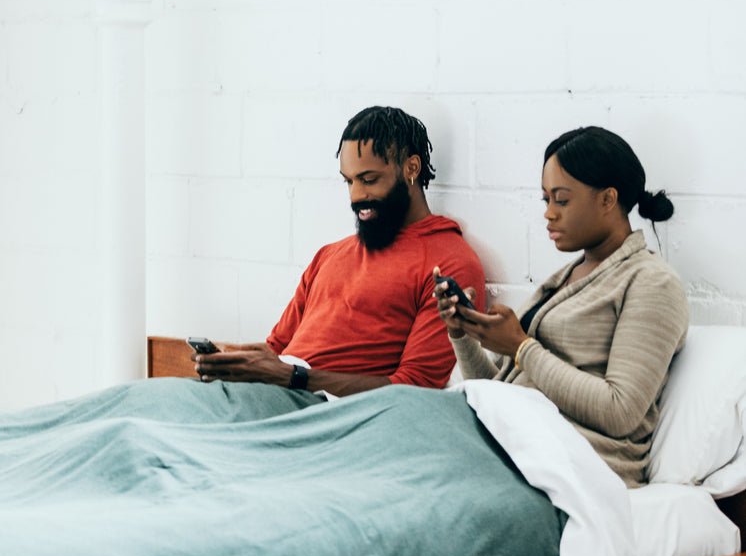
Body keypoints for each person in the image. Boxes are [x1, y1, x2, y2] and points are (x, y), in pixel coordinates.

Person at [434, 125, 689, 487]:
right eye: (546, 200)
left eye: (562, 200)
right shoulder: (566, 277)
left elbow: (621, 411)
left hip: (573, 466)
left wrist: (521, 347)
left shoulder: (652, 283)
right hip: (511, 442)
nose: (549, 214)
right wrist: (461, 333)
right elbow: (497, 390)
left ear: (607, 199)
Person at [193, 105, 485, 397]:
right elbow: (275, 350)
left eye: (369, 180)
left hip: (321, 408)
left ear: (411, 168)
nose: (356, 196)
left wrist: (294, 377)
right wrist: (230, 362)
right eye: (349, 181)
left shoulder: (449, 264)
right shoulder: (330, 255)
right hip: (274, 393)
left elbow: (415, 387)